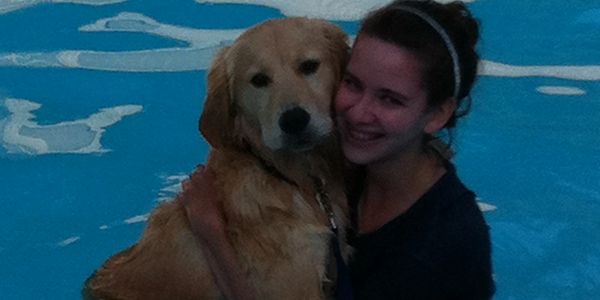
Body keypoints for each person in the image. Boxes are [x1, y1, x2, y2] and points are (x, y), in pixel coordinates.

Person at [180, 0, 495, 299]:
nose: (358, 114)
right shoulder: (335, 172)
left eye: (390, 99)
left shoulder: (448, 245)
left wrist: (213, 236)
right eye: (353, 84)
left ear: (438, 114)